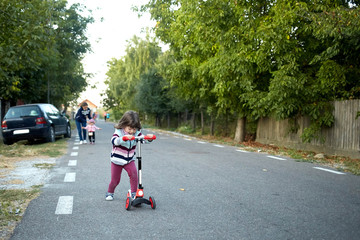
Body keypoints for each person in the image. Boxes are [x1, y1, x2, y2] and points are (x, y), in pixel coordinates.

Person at [105, 110, 153, 201]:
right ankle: (110, 192)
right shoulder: (119, 132)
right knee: (115, 180)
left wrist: (148, 138)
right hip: (117, 160)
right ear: (124, 125)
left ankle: (134, 193)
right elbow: (114, 141)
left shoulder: (137, 132)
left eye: (134, 129)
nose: (132, 132)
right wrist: (123, 138)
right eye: (129, 129)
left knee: (134, 174)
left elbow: (142, 139)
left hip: (129, 159)